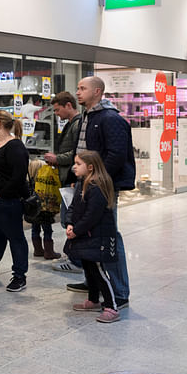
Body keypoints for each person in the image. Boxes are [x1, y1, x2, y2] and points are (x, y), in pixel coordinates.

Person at [69, 76, 135, 309]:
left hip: (101, 186)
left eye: (82, 88)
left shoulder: (110, 118)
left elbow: (116, 155)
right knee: (89, 233)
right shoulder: (88, 116)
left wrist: (97, 180)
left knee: (107, 236)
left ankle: (119, 291)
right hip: (86, 183)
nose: (78, 92)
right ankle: (95, 283)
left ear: (97, 91)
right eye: (77, 88)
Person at [64, 151, 120, 323]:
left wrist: (77, 229)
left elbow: (92, 215)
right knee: (89, 268)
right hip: (86, 235)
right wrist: (70, 223)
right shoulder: (82, 183)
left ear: (90, 167)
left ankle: (112, 307)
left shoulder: (97, 187)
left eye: (78, 163)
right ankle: (93, 300)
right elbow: (73, 206)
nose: (74, 166)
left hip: (98, 236)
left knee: (98, 270)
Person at [0, 110, 30, 292]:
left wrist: (3, 194)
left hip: (8, 201)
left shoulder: (14, 146)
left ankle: (19, 275)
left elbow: (19, 175)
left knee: (15, 237)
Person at [44, 91, 83, 273]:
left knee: (70, 220)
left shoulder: (77, 125)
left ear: (69, 105)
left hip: (71, 179)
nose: (56, 114)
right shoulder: (72, 124)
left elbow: (76, 153)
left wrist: (57, 158)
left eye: (58, 110)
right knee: (68, 219)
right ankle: (74, 257)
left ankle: (76, 260)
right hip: (69, 178)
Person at [28, 159, 61, 260]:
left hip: (34, 211)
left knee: (35, 229)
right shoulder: (45, 183)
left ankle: (38, 250)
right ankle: (49, 252)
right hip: (45, 212)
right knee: (47, 230)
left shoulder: (30, 182)